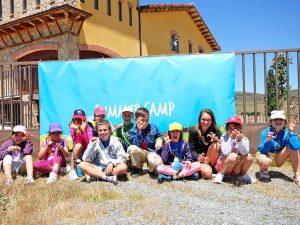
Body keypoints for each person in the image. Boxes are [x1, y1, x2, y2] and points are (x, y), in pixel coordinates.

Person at [256, 110, 300, 185]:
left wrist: (292, 132)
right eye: (275, 119)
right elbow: (262, 151)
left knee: (292, 149)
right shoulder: (265, 132)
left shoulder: (287, 133)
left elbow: (296, 147)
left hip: (278, 158)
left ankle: (297, 176)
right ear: (270, 122)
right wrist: (268, 141)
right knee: (264, 159)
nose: (278, 121)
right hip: (266, 156)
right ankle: (263, 171)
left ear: (285, 123)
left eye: (281, 119)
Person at [213, 117, 254, 184]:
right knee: (233, 156)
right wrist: (231, 139)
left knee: (249, 156)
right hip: (224, 165)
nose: (233, 131)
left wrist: (239, 141)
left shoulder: (244, 138)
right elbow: (226, 153)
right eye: (230, 128)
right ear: (226, 128)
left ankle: (243, 175)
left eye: (235, 128)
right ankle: (221, 174)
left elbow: (245, 152)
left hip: (236, 167)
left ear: (240, 129)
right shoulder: (224, 137)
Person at [128, 107, 163, 177]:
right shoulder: (132, 131)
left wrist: (159, 139)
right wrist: (139, 130)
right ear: (135, 119)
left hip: (151, 152)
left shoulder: (153, 127)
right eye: (142, 120)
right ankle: (137, 168)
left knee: (156, 162)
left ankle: (151, 170)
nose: (145, 122)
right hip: (141, 153)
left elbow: (160, 135)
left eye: (147, 120)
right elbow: (136, 144)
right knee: (132, 148)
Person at [188, 108, 222, 179]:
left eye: (208, 120)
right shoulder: (193, 131)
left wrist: (217, 140)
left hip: (212, 160)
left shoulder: (216, 130)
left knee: (217, 144)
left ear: (212, 121)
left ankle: (213, 168)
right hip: (201, 160)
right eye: (203, 119)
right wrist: (199, 158)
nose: (206, 122)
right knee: (207, 174)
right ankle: (209, 170)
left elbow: (223, 146)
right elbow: (191, 150)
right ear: (199, 119)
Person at [68, 109, 93, 180]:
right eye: (76, 119)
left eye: (80, 119)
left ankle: (88, 171)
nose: (78, 121)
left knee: (80, 146)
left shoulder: (89, 128)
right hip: (79, 152)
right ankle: (72, 170)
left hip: (88, 151)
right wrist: (78, 131)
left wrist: (84, 131)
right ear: (73, 119)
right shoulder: (72, 128)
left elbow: (89, 144)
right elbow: (77, 142)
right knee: (77, 145)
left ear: (84, 119)